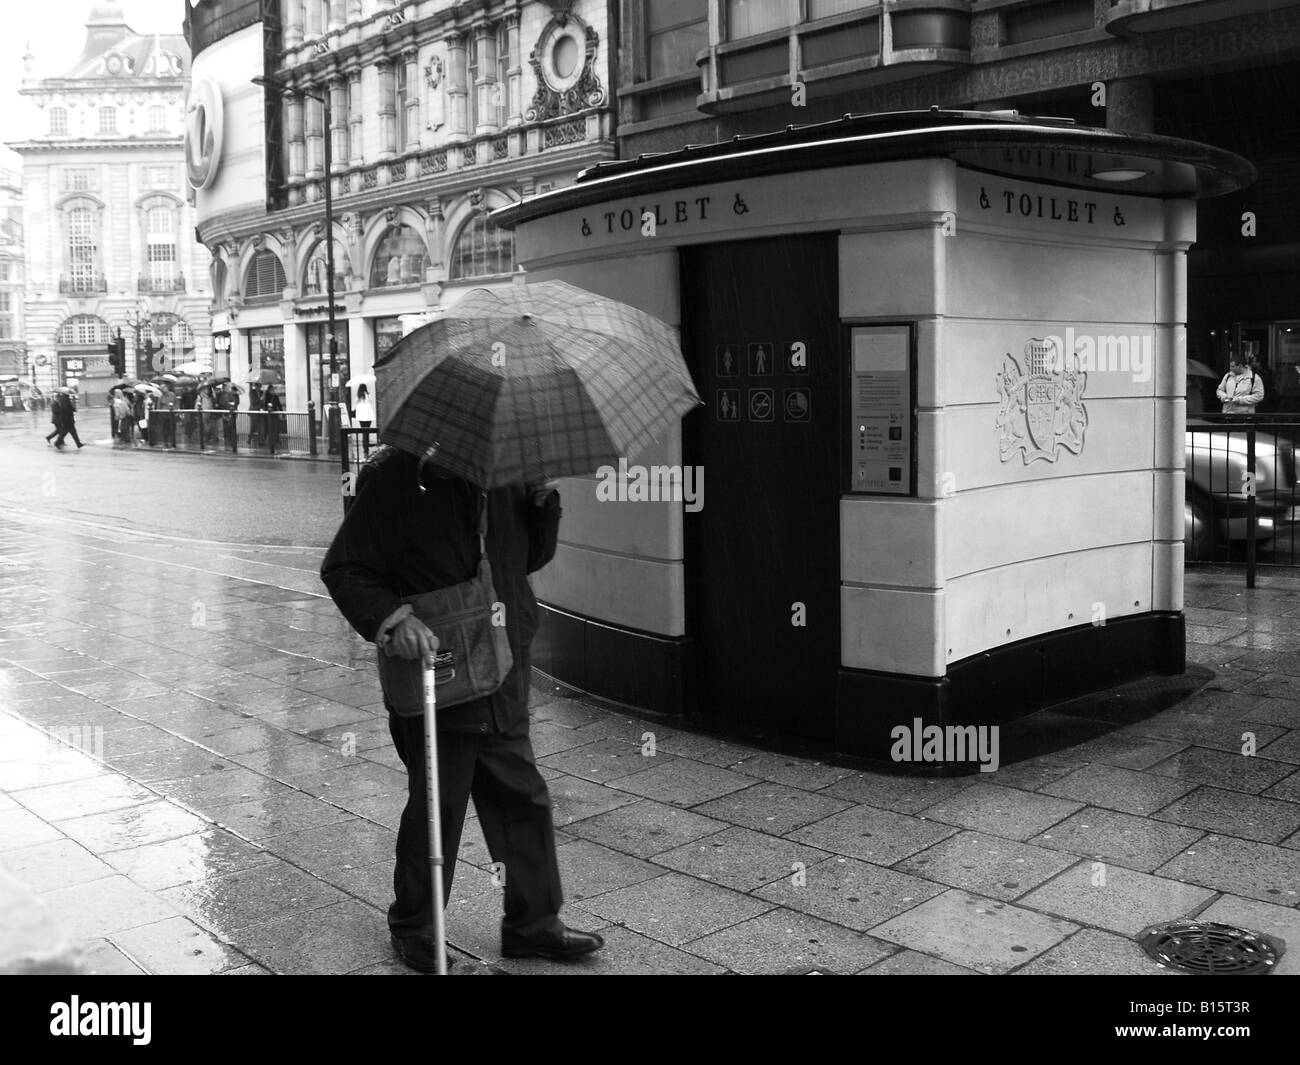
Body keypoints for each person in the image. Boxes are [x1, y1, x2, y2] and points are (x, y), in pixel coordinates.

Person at [320, 448, 603, 972]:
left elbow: (528, 559)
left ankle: (534, 925)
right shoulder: (397, 475)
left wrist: (543, 501)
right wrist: (391, 619)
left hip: (504, 665)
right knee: (438, 805)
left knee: (524, 799)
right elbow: (345, 566)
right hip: (440, 668)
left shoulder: (509, 471)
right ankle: (416, 928)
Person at [263, 384, 283, 454]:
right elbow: (264, 404)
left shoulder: (275, 396)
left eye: (273, 389)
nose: (273, 390)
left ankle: (276, 439)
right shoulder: (266, 396)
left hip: (274, 413)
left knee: (276, 426)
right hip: (268, 415)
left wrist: (282, 412)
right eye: (271, 389)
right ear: (269, 390)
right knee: (269, 427)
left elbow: (279, 405)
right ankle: (270, 441)